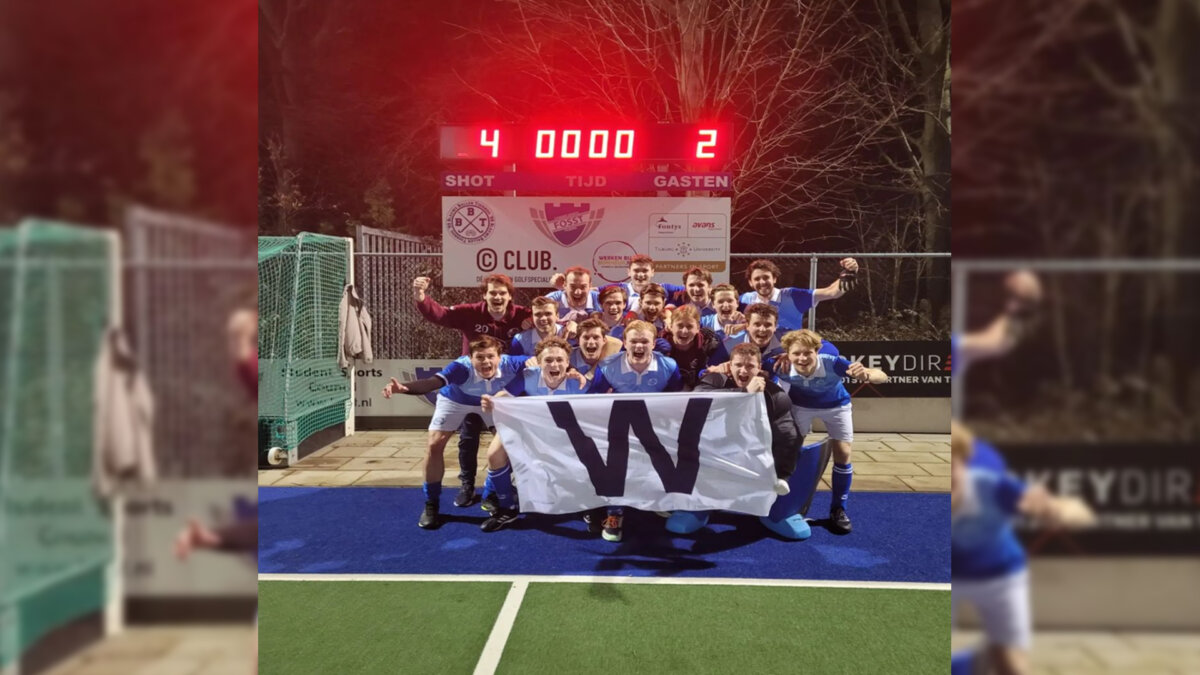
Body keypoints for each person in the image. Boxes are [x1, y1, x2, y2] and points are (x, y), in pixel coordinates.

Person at [951, 421, 1094, 675]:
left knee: (1013, 667)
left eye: (949, 466)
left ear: (963, 462)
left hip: (1001, 576)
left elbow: (1080, 512)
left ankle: (981, 660)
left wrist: (1055, 511)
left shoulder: (993, 488)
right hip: (948, 578)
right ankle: (971, 664)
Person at [381, 335, 525, 529]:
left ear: (500, 357)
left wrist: (539, 360)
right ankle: (431, 503)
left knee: (506, 446)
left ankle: (490, 492)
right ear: (470, 358)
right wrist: (405, 388)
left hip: (491, 401)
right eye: (480, 357)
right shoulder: (460, 367)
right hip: (456, 400)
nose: (486, 361)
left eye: (491, 356)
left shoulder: (513, 363)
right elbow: (432, 382)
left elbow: (550, 359)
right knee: (434, 444)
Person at [413, 273, 531, 507]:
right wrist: (421, 297)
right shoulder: (470, 312)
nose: (497, 297)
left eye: (502, 293)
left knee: (506, 442)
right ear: (484, 295)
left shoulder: (522, 315)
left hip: (500, 390)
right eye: (492, 293)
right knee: (468, 438)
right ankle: (467, 485)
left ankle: (493, 489)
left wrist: (540, 320)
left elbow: (548, 316)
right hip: (469, 386)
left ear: (510, 296)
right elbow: (441, 315)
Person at [667, 343, 805, 538]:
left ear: (759, 368)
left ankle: (777, 511)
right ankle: (695, 508)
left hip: (752, 454)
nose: (743, 371)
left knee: (798, 448)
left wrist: (782, 474)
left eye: (750, 366)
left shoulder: (774, 393)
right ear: (729, 365)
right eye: (738, 365)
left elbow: (787, 434)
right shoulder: (715, 379)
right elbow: (698, 398)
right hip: (712, 450)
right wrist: (744, 393)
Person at [772, 329, 888, 534]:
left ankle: (838, 509)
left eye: (807, 353)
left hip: (836, 406)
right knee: (791, 452)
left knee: (843, 452)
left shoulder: (832, 363)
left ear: (817, 352)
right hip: (801, 407)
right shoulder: (779, 365)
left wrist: (868, 375)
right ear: (787, 354)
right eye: (796, 353)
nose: (802, 358)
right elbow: (747, 365)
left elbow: (882, 376)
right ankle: (786, 503)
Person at [584, 320, 684, 542]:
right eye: (634, 341)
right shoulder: (608, 366)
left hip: (654, 425)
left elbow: (676, 398)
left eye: (644, 341)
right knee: (615, 464)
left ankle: (660, 500)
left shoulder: (668, 366)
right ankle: (614, 514)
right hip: (619, 425)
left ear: (654, 344)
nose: (639, 346)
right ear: (625, 343)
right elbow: (592, 399)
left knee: (665, 459)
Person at [477, 336, 588, 531]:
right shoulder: (529, 375)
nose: (554, 364)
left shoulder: (579, 383)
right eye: (548, 360)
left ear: (568, 362)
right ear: (539, 362)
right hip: (528, 426)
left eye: (560, 360)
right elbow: (505, 395)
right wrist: (491, 402)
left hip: (562, 433)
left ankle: (592, 504)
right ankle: (507, 508)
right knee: (494, 454)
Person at [739, 257, 859, 334]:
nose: (762, 282)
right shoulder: (744, 299)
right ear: (750, 283)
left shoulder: (792, 296)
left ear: (774, 278)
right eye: (757, 279)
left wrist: (849, 272)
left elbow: (831, 292)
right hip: (758, 357)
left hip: (790, 356)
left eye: (766, 277)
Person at [659, 304, 722, 390]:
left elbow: (713, 369)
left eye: (689, 326)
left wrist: (704, 372)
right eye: (680, 326)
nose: (684, 331)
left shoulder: (708, 343)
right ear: (671, 326)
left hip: (697, 390)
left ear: (698, 328)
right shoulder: (660, 345)